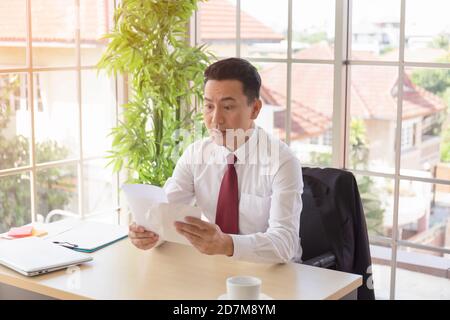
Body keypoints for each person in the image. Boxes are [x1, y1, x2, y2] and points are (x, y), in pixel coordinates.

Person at [129, 58, 304, 263]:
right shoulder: (195, 154)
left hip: (272, 274)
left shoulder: (282, 161)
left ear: (255, 109)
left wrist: (227, 244)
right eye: (209, 106)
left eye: (228, 107)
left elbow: (285, 243)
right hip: (215, 267)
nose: (215, 119)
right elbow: (165, 215)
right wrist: (149, 234)